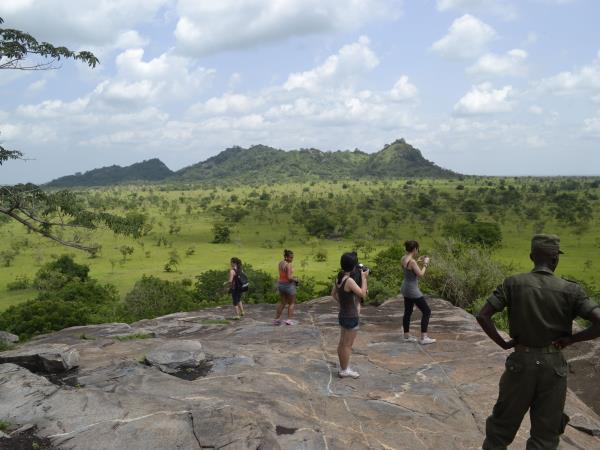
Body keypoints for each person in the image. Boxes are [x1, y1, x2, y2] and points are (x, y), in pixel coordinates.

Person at [477, 234, 600, 450]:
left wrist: (503, 343)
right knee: (545, 436)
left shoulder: (513, 283)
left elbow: (483, 315)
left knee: (500, 429)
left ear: (532, 256)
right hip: (553, 367)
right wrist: (571, 339)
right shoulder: (572, 290)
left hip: (520, 363)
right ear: (555, 259)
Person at [331, 252, 368, 378]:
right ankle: (345, 370)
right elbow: (363, 294)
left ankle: (343, 367)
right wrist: (364, 277)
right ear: (353, 266)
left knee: (342, 343)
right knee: (347, 345)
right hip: (351, 316)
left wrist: (343, 304)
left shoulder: (339, 278)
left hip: (343, 314)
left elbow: (333, 294)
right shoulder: (349, 281)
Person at [400, 240, 435, 345]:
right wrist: (425, 264)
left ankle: (406, 336)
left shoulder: (403, 258)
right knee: (426, 311)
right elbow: (420, 274)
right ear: (415, 249)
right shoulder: (413, 262)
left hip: (405, 287)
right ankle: (424, 337)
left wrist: (418, 261)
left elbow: (409, 268)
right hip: (412, 289)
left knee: (408, 311)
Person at [274, 249, 297, 325]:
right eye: (290, 257)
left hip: (281, 285)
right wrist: (296, 280)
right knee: (292, 303)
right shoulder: (288, 265)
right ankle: (289, 320)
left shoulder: (280, 263)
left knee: (283, 303)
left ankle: (277, 319)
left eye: (292, 257)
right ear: (286, 257)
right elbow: (289, 277)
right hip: (288, 285)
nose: (292, 259)